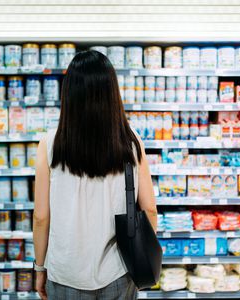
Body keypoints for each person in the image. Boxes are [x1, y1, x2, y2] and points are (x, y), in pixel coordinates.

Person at [33, 50, 157, 300]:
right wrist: (141, 256)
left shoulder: (49, 143)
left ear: (69, 93)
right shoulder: (131, 142)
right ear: (112, 92)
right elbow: (150, 209)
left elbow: (41, 217)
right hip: (118, 271)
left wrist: (39, 268)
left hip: (65, 273)